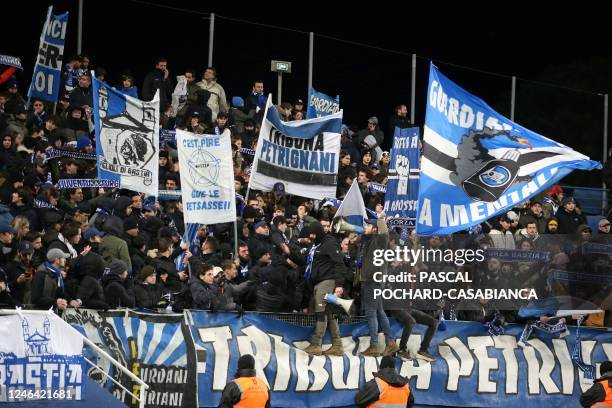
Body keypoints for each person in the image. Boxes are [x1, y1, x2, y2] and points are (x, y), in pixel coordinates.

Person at [357, 215, 399, 357]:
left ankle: (374, 346)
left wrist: (381, 220)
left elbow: (384, 234)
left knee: (371, 313)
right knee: (380, 312)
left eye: (368, 226)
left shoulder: (378, 240)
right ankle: (391, 342)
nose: (365, 227)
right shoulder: (368, 241)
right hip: (374, 281)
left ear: (375, 229)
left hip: (373, 281)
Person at [303, 221, 346, 356]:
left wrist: (339, 284)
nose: (311, 236)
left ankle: (316, 344)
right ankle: (337, 345)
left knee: (321, 311)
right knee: (329, 312)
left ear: (319, 233)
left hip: (327, 282)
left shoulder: (330, 243)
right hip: (318, 282)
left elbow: (339, 263)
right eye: (310, 234)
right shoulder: (316, 245)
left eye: (314, 234)